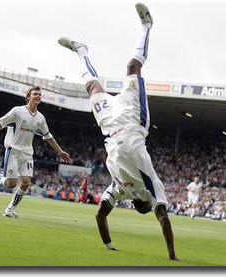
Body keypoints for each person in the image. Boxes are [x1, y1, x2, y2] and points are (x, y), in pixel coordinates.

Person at [58, 3, 180, 261]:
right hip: (134, 122)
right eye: (144, 207)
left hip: (110, 127)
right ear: (147, 205)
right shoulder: (153, 189)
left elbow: (100, 214)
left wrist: (109, 246)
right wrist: (171, 255)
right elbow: (164, 219)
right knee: (132, 68)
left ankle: (82, 51)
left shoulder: (119, 189)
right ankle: (147, 26)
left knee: (92, 87)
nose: (140, 206)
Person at [0, 86, 71, 218]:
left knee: (25, 182)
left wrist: (60, 151)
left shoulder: (40, 118)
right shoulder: (17, 111)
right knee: (11, 184)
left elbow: (48, 136)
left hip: (27, 153)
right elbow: (1, 122)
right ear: (28, 96)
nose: (38, 96)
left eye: (39, 95)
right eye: (35, 94)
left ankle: (9, 209)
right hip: (13, 150)